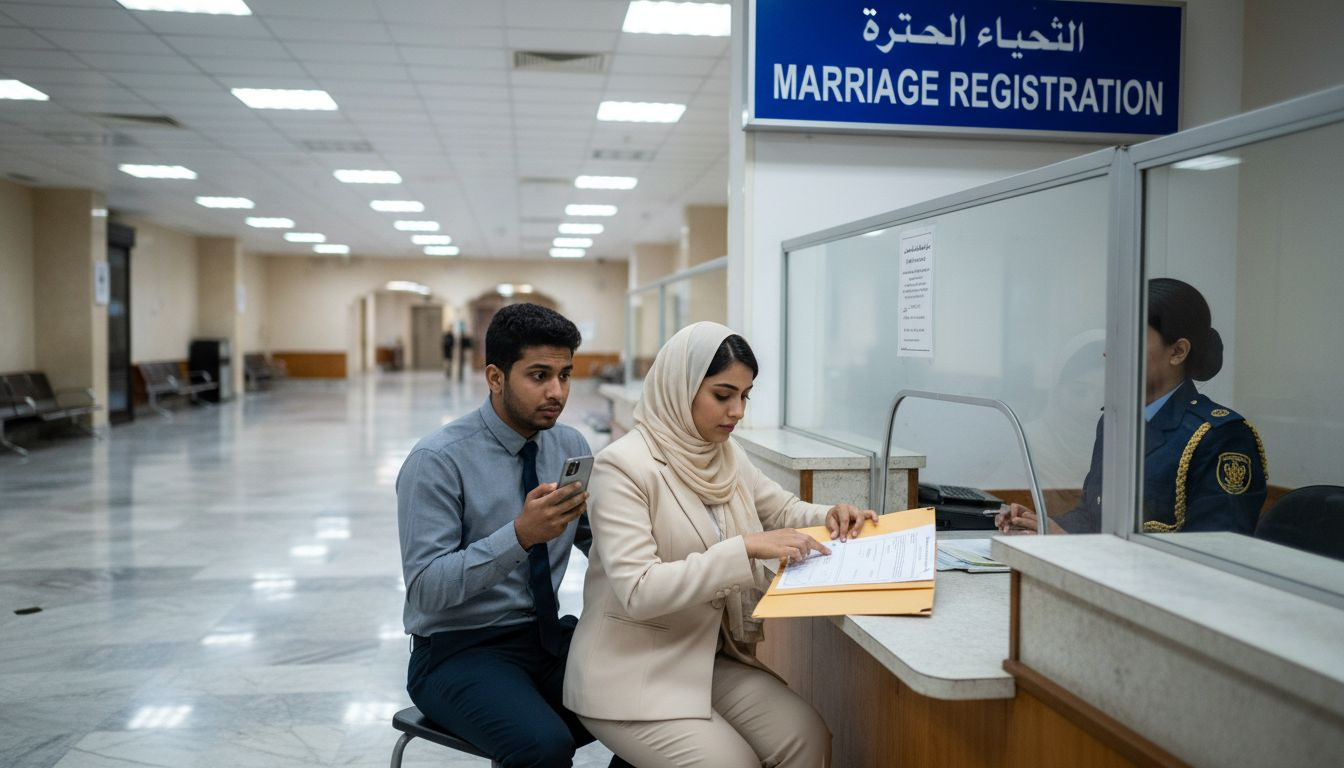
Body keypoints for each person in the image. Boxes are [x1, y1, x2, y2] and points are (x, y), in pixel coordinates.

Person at [565, 321, 879, 768]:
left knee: (806, 736)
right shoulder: (623, 467)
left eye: (745, 396)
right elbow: (639, 590)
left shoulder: (724, 454)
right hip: (632, 671)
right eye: (723, 395)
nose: (737, 411)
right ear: (681, 387)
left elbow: (782, 510)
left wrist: (830, 516)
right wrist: (743, 549)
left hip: (706, 660)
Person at [397, 303, 629, 768]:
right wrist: (520, 535)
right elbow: (425, 590)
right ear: (495, 377)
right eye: (539, 375)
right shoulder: (437, 460)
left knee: (658, 698)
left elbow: (594, 538)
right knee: (542, 746)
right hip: (457, 651)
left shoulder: (569, 445)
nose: (557, 392)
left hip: (544, 638)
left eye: (565, 375)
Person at [997, 278, 1268, 535]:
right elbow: (1092, 517)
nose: (1109, 352)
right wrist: (1041, 525)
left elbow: (1211, 551)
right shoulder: (1114, 421)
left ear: (1177, 352)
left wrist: (1067, 541)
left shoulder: (1222, 436)